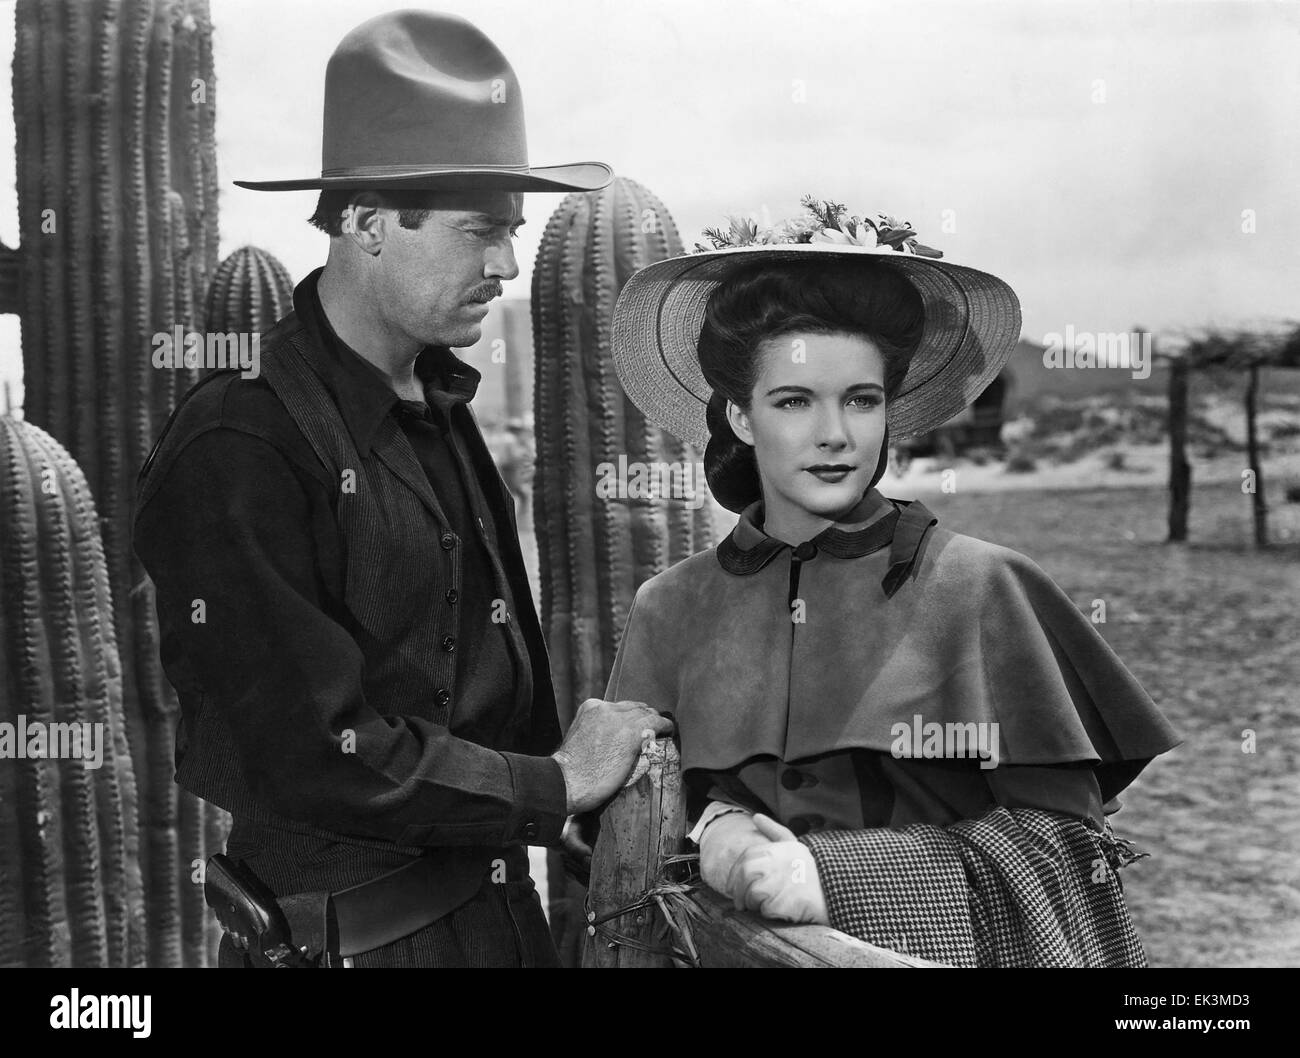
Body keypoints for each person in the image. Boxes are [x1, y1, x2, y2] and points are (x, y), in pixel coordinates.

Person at [132, 10, 670, 968]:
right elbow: (311, 752)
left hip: (499, 928)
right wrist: (554, 783)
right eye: (480, 232)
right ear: (367, 223)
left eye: (512, 232)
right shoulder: (240, 444)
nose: (506, 264)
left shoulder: (437, 405)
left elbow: (476, 676)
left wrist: (560, 811)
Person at [603, 201, 1180, 967]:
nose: (835, 434)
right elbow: (624, 848)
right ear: (741, 416)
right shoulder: (669, 606)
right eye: (795, 401)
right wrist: (713, 828)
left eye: (862, 400)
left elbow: (1069, 860)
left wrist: (831, 876)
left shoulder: (983, 586)